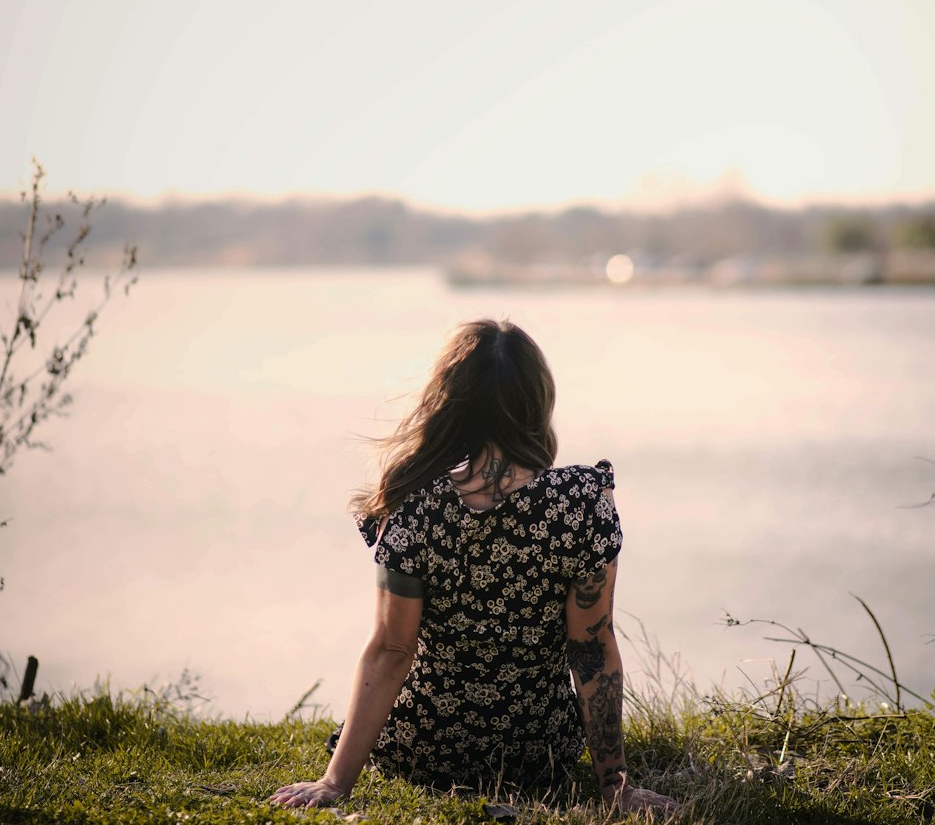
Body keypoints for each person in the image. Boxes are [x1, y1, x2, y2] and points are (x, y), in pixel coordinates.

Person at [269, 319, 678, 816]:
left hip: (420, 751)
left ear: (449, 403)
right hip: (538, 756)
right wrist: (616, 787)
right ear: (537, 401)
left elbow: (391, 650)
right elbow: (590, 648)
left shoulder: (414, 506)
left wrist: (335, 781)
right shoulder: (583, 503)